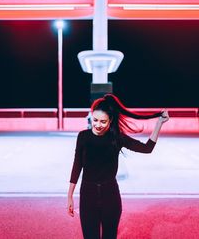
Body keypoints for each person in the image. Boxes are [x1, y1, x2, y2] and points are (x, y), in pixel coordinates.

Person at [67, 94, 169, 239]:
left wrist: (159, 123)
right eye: (95, 120)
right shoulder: (83, 137)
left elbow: (147, 148)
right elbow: (77, 165)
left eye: (103, 121)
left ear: (110, 121)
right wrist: (70, 195)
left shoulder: (117, 138)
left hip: (110, 197)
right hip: (87, 196)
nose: (98, 125)